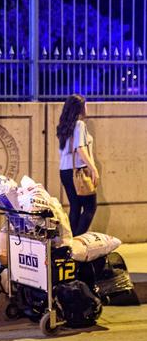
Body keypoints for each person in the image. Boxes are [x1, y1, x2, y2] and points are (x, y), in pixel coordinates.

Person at [57, 94, 99, 236]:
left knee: (75, 207)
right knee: (90, 207)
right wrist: (93, 169)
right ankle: (76, 243)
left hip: (64, 171)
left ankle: (69, 242)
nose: (87, 107)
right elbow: (80, 148)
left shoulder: (64, 126)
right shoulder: (79, 125)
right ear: (80, 108)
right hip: (78, 172)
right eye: (85, 105)